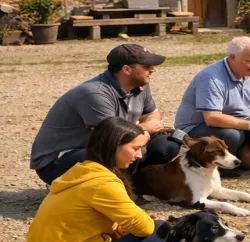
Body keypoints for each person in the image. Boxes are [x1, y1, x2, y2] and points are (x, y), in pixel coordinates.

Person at [25, 117, 164, 242]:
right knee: (160, 230)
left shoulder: (82, 172)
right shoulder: (102, 184)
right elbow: (145, 227)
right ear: (114, 145)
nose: (139, 155)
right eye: (136, 148)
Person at [30, 43, 178, 184]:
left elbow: (154, 116)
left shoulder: (140, 85)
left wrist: (142, 132)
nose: (153, 69)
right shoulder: (95, 93)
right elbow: (111, 138)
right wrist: (144, 130)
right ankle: (71, 185)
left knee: (166, 145)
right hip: (58, 162)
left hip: (113, 144)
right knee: (116, 151)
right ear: (126, 70)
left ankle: (134, 184)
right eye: (147, 66)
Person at [175, 36, 250, 175]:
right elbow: (212, 118)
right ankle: (224, 168)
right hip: (197, 127)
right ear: (231, 58)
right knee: (234, 135)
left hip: (236, 119)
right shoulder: (211, 78)